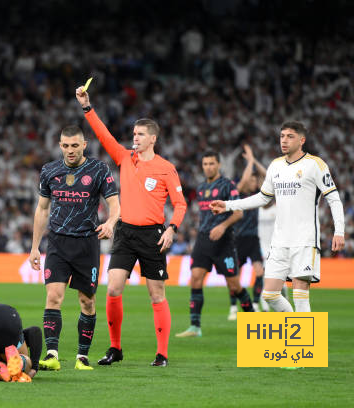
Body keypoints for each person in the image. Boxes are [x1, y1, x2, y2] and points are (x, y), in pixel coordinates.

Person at [76, 86, 187, 367]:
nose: (134, 138)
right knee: (113, 288)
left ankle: (162, 354)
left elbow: (181, 204)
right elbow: (103, 134)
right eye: (133, 134)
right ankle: (115, 348)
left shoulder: (166, 168)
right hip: (125, 232)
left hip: (153, 235)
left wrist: (172, 228)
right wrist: (87, 108)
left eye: (139, 135)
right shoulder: (125, 158)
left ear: (152, 138)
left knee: (156, 293)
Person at [211, 121, 345, 313]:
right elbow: (262, 197)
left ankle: (302, 343)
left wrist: (339, 231)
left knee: (300, 296)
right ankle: (295, 329)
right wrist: (228, 205)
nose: (284, 140)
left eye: (290, 136)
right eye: (282, 136)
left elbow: (334, 199)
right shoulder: (276, 166)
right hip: (280, 242)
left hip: (304, 240)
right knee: (270, 294)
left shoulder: (315, 165)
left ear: (302, 140)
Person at [29, 125, 120, 371]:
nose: (70, 150)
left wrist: (111, 222)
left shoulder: (99, 169)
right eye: (66, 146)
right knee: (53, 297)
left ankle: (82, 357)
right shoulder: (49, 170)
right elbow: (42, 209)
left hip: (86, 243)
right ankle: (51, 354)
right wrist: (34, 247)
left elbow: (114, 203)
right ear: (60, 146)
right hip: (57, 242)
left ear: (84, 145)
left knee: (87, 302)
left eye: (75, 145)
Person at [175, 152, 254, 338]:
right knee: (195, 278)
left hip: (224, 240)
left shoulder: (228, 185)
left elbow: (239, 213)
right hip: (203, 239)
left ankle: (253, 321)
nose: (208, 166)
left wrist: (222, 226)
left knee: (234, 286)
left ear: (218, 164)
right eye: (205, 163)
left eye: (212, 163)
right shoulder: (202, 188)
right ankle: (195, 327)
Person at [227, 144, 268, 319]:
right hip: (237, 239)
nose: (253, 181)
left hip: (252, 239)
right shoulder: (239, 194)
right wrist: (249, 162)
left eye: (254, 180)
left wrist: (254, 160)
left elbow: (266, 176)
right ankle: (233, 308)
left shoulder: (258, 195)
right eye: (251, 180)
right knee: (234, 276)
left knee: (260, 272)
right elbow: (243, 181)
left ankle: (256, 303)